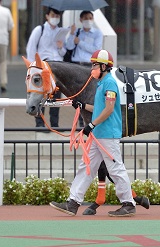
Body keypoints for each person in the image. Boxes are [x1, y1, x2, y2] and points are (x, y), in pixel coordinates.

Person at [50, 49, 136, 217]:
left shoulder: (110, 83)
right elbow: (99, 108)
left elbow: (109, 109)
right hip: (99, 134)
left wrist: (91, 124)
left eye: (95, 65)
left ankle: (128, 204)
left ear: (104, 66)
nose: (92, 68)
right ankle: (73, 203)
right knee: (86, 167)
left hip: (107, 134)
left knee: (115, 168)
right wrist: (81, 106)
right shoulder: (101, 84)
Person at [25, 7, 66, 128]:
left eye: (57, 16)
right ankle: (40, 124)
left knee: (56, 97)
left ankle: (54, 124)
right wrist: (33, 67)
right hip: (43, 67)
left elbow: (63, 53)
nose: (55, 18)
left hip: (58, 66)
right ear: (47, 16)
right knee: (40, 95)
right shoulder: (40, 29)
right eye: (53, 15)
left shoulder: (60, 32)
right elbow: (31, 48)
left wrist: (60, 47)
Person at [66, 10, 103, 127]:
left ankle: (87, 121)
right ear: (81, 20)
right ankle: (79, 120)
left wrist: (80, 42)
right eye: (86, 18)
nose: (88, 20)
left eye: (90, 18)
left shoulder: (97, 33)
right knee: (77, 94)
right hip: (77, 65)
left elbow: (95, 49)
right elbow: (69, 46)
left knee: (89, 94)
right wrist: (72, 34)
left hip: (89, 66)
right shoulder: (77, 32)